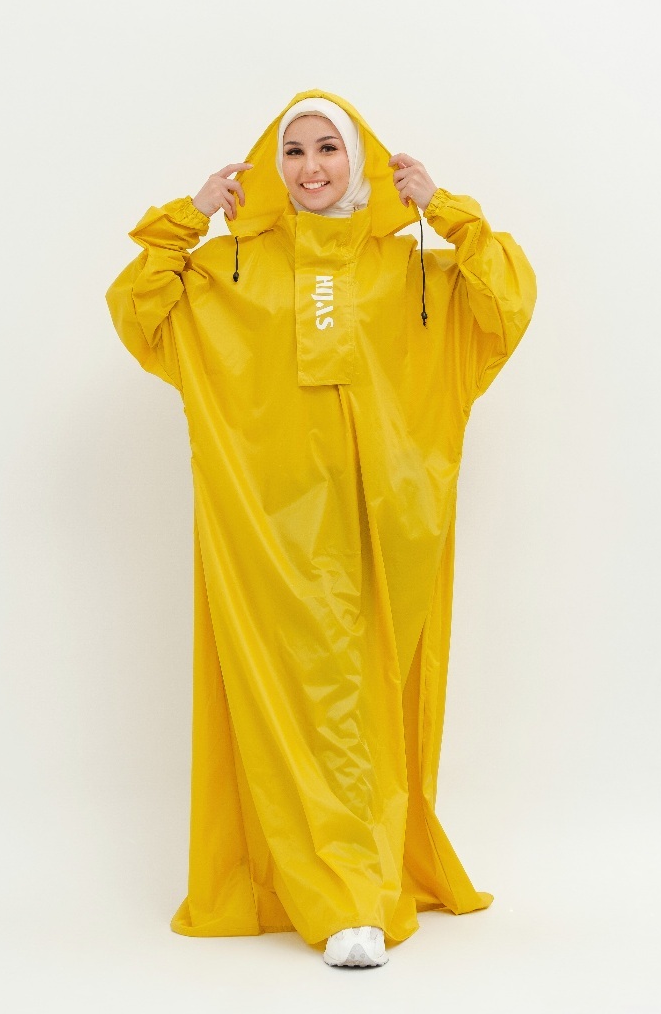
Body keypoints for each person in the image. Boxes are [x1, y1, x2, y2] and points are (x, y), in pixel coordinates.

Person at [105, 89, 536, 969]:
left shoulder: (410, 269)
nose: (311, 167)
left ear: (361, 159)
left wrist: (446, 210)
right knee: (304, 697)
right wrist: (190, 218)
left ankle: (356, 877)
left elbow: (503, 305)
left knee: (365, 697)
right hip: (268, 531)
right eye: (293, 152)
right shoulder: (233, 270)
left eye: (328, 149)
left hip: (385, 529)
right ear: (271, 167)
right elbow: (141, 308)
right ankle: (344, 899)